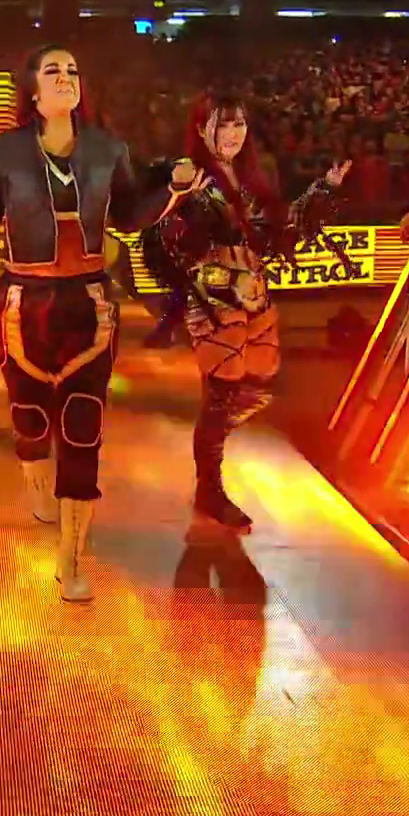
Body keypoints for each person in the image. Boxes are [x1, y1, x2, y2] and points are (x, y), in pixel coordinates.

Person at [0, 44, 201, 603]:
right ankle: (35, 477)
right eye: (53, 70)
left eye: (73, 69)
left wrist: (172, 190)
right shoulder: (5, 151)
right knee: (30, 419)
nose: (66, 77)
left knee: (81, 428)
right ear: (32, 90)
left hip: (89, 306)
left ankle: (70, 558)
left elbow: (129, 215)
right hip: (21, 305)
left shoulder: (108, 148)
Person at [155, 95, 347, 531]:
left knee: (259, 385)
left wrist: (323, 192)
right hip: (214, 296)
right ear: (201, 128)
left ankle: (209, 443)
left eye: (238, 124)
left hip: (255, 292)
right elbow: (172, 244)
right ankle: (210, 487)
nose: (233, 134)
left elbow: (280, 232)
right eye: (223, 125)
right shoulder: (190, 176)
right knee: (222, 392)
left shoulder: (253, 177)